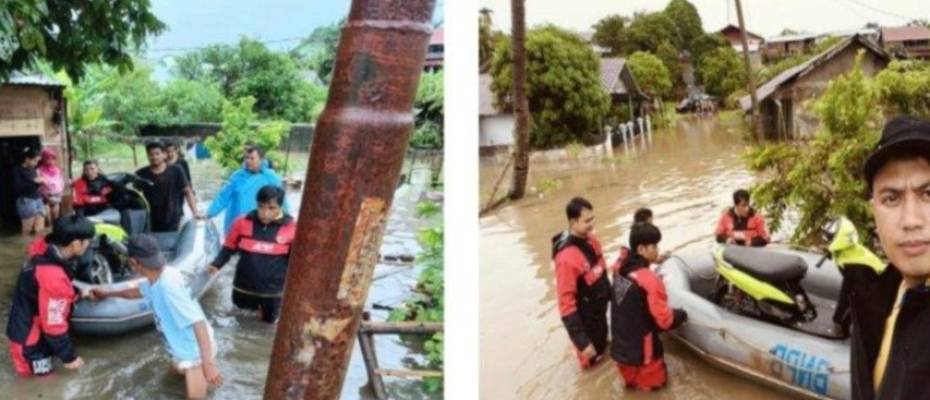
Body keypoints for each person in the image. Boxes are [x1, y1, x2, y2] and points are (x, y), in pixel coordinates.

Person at [842, 116, 930, 400]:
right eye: (891, 198)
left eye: (928, 194)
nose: (911, 220)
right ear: (874, 212)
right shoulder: (878, 294)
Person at [91, 235, 223, 399]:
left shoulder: (169, 287)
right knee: (171, 384)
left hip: (195, 355)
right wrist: (108, 293)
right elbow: (138, 291)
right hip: (179, 349)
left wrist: (207, 364)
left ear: (134, 262)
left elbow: (199, 323)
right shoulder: (159, 277)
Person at [6, 216, 95, 376]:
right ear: (75, 244)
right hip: (31, 344)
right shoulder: (53, 276)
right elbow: (54, 325)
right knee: (42, 385)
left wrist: (80, 293)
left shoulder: (42, 249)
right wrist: (70, 358)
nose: (88, 244)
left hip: (25, 325)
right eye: (86, 241)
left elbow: (47, 295)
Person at [611, 223, 688, 391]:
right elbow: (664, 321)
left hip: (620, 352)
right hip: (644, 357)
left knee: (631, 389)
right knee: (657, 390)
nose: (657, 250)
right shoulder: (650, 280)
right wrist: (681, 315)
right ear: (641, 249)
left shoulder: (618, 267)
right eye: (654, 246)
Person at [207, 185, 296, 323]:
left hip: (273, 293)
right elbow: (228, 248)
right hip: (243, 288)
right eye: (261, 207)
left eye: (271, 208)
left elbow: (296, 263)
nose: (265, 213)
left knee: (268, 327)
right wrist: (216, 264)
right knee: (240, 323)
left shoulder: (292, 228)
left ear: (280, 206)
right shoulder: (241, 223)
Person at [552, 197, 610, 370]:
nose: (592, 224)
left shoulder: (592, 240)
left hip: (598, 311)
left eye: (593, 219)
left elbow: (602, 270)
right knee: (592, 364)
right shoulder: (566, 259)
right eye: (587, 221)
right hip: (586, 321)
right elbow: (566, 304)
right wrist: (582, 343)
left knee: (603, 349)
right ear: (573, 221)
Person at [208, 146, 287, 235]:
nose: (248, 161)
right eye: (246, 158)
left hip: (260, 224)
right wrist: (209, 213)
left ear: (261, 159)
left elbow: (281, 200)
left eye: (252, 158)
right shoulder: (237, 176)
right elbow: (223, 197)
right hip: (236, 223)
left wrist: (287, 220)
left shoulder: (271, 177)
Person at [136, 141, 203, 232]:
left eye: (157, 154)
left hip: (172, 216)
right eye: (151, 154)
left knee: (170, 242)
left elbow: (187, 191)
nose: (154, 157)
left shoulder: (176, 170)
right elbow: (135, 194)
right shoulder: (141, 174)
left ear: (164, 155)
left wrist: (195, 212)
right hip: (151, 217)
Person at [13, 147, 47, 235]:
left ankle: (38, 247)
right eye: (35, 161)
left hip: (38, 199)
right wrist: (33, 181)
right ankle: (23, 246)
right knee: (27, 229)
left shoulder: (33, 170)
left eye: (37, 161)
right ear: (27, 159)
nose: (36, 163)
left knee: (39, 229)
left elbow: (34, 186)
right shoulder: (17, 170)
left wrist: (41, 182)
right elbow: (16, 188)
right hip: (25, 200)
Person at [37, 148, 65, 222]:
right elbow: (38, 185)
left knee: (56, 219)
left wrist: (60, 191)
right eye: (48, 159)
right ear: (43, 159)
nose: (51, 161)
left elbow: (61, 181)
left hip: (56, 197)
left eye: (53, 159)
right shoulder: (39, 170)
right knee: (48, 220)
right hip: (45, 198)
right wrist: (45, 195)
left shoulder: (57, 170)